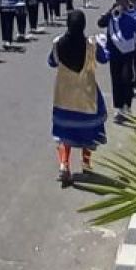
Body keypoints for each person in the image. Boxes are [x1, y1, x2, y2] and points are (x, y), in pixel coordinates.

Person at [48, 10, 110, 187]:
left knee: (63, 133)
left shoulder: (58, 43)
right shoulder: (91, 45)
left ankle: (64, 165)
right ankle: (86, 164)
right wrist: (103, 44)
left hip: (64, 96)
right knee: (89, 132)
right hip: (86, 96)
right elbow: (105, 58)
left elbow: (51, 62)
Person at [99, 0, 136, 122]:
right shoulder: (112, 17)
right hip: (114, 53)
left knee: (127, 80)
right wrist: (109, 13)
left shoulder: (130, 16)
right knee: (116, 80)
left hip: (127, 53)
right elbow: (100, 23)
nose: (120, 4)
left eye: (123, 1)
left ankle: (127, 105)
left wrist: (130, 13)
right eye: (118, 1)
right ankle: (119, 107)